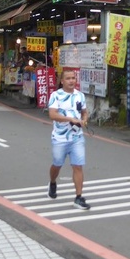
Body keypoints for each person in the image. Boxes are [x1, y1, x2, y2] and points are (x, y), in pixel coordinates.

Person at [46, 69, 91, 210]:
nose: (72, 81)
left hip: (77, 137)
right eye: (68, 78)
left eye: (73, 78)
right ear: (62, 81)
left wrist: (84, 120)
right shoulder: (56, 95)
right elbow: (52, 114)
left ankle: (78, 197)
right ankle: (52, 182)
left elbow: (84, 111)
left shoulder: (80, 95)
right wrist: (70, 119)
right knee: (57, 164)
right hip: (60, 138)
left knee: (78, 166)